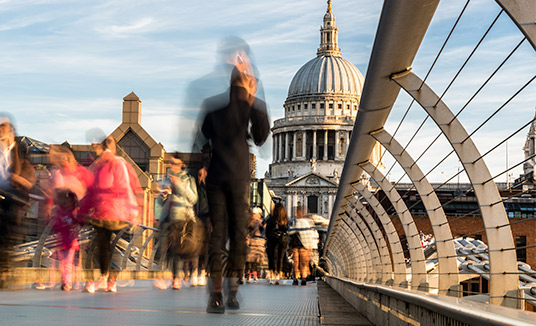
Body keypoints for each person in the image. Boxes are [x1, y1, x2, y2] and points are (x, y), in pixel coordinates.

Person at [197, 55, 270, 313]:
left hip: (216, 176)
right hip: (239, 178)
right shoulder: (254, 107)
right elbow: (261, 138)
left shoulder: (213, 108)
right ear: (248, 84)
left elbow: (203, 136)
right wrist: (253, 98)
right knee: (238, 236)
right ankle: (233, 293)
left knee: (217, 236)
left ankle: (215, 296)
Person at [79, 132, 142, 293]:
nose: (93, 149)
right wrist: (83, 209)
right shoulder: (98, 166)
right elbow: (92, 191)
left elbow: (124, 187)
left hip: (116, 212)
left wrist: (133, 210)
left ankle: (108, 278)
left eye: (95, 145)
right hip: (102, 213)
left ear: (103, 147)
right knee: (103, 244)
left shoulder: (116, 163)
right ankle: (107, 278)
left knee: (109, 245)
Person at [49, 143, 93, 291]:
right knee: (65, 260)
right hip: (66, 238)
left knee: (68, 261)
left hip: (70, 237)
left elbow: (89, 190)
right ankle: (68, 281)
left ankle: (69, 282)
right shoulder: (58, 173)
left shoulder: (79, 172)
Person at [0, 113, 36, 288]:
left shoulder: (20, 150)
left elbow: (29, 175)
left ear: (11, 131)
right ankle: (4, 270)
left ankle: (4, 270)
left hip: (14, 197)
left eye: (3, 127)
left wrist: (18, 179)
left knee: (8, 233)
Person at [159, 155, 198, 290]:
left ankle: (176, 278)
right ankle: (166, 274)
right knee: (163, 247)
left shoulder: (188, 180)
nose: (172, 166)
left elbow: (193, 199)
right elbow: (160, 201)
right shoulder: (165, 179)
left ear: (182, 165)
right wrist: (162, 195)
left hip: (182, 216)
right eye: (170, 163)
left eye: (176, 163)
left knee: (177, 248)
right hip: (167, 216)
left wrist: (180, 186)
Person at [288, 207, 316, 286]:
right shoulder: (308, 222)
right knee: (304, 263)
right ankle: (303, 278)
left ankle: (296, 278)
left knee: (296, 262)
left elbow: (291, 231)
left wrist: (288, 230)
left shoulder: (296, 221)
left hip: (297, 244)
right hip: (306, 245)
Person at [193, 166, 210, 287]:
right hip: (196, 219)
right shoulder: (194, 188)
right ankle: (194, 271)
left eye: (203, 175)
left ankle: (202, 271)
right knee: (194, 247)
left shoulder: (210, 189)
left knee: (205, 248)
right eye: (199, 175)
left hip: (207, 220)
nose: (201, 178)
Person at [265, 203, 289, 285]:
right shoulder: (286, 219)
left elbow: (267, 231)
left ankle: (274, 274)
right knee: (281, 258)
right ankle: (279, 274)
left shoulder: (272, 218)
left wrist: (268, 237)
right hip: (283, 241)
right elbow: (288, 230)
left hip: (273, 240)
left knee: (274, 257)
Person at [245, 207, 264, 283]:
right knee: (256, 260)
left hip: (252, 241)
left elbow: (246, 232)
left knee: (249, 260)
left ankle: (248, 274)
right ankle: (254, 274)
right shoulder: (261, 222)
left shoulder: (249, 222)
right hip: (259, 242)